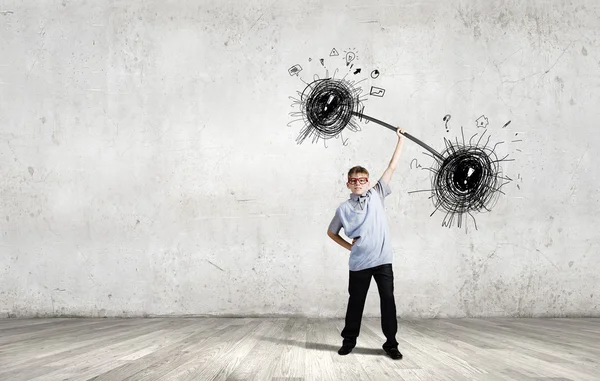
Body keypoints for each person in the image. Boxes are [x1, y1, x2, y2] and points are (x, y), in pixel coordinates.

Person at [327, 127, 405, 360]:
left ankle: (391, 343)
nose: (358, 183)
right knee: (356, 302)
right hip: (359, 262)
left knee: (388, 301)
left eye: (362, 180)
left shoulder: (376, 194)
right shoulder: (343, 208)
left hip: (383, 261)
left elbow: (392, 166)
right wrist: (350, 247)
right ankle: (349, 340)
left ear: (368, 181)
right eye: (354, 180)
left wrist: (400, 139)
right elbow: (331, 233)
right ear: (348, 184)